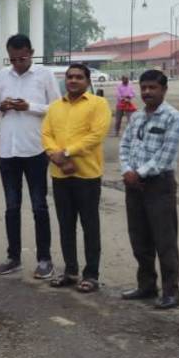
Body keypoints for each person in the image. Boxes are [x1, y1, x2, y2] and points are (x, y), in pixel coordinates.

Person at [0, 34, 60, 279]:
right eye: (13, 59)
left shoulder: (44, 75)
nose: (18, 63)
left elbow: (57, 108)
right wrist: (3, 106)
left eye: (22, 58)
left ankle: (45, 259)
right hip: (8, 150)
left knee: (39, 206)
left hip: (35, 149)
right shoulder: (2, 75)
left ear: (31, 52)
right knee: (12, 207)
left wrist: (29, 106)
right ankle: (13, 258)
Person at [119, 69, 179, 310]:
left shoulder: (173, 118)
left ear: (164, 90)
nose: (147, 92)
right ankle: (147, 285)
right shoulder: (137, 117)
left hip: (159, 185)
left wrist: (139, 173)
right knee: (139, 239)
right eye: (144, 87)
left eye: (152, 88)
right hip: (133, 185)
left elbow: (166, 156)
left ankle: (172, 292)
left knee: (164, 240)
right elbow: (125, 145)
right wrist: (127, 170)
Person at [42, 65, 111, 293]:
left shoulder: (98, 104)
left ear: (88, 81)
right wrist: (56, 156)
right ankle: (70, 272)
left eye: (79, 77)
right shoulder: (55, 107)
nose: (73, 80)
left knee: (90, 226)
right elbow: (46, 134)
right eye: (70, 77)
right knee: (65, 225)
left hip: (87, 175)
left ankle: (91, 275)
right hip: (60, 175)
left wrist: (67, 152)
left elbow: (96, 135)